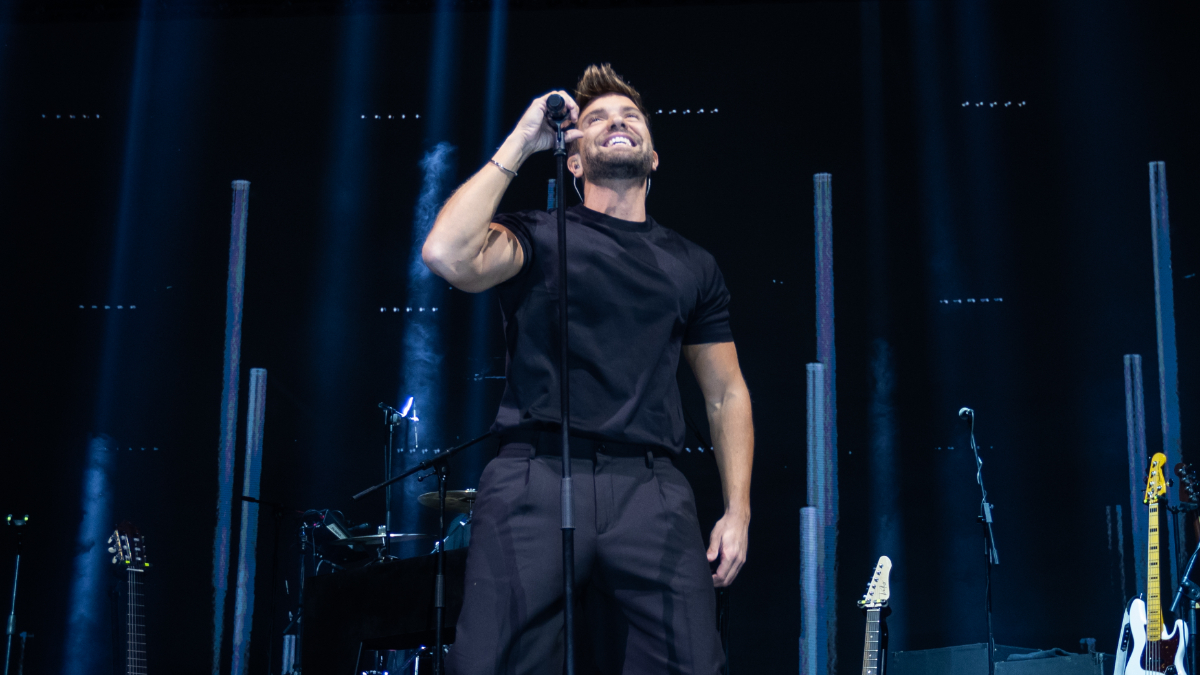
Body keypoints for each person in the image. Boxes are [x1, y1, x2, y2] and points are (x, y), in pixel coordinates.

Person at [422, 63, 753, 675]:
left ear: (654, 157)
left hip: (651, 488)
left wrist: (738, 511)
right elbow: (446, 254)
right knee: (496, 662)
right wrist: (522, 140)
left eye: (630, 116)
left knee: (692, 663)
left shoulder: (693, 264)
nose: (616, 122)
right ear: (572, 161)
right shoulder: (536, 234)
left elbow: (726, 393)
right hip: (535, 477)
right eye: (596, 118)